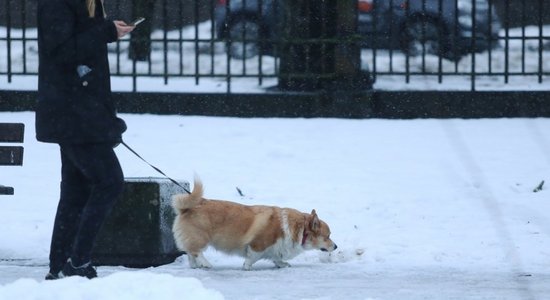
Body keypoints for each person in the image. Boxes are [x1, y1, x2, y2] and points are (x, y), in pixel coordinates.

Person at [36, 0, 135, 279]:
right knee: (109, 181)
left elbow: (78, 49)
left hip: (79, 110)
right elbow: (61, 50)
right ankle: (76, 263)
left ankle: (62, 266)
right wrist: (105, 32)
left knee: (75, 191)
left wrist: (107, 30)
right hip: (73, 111)